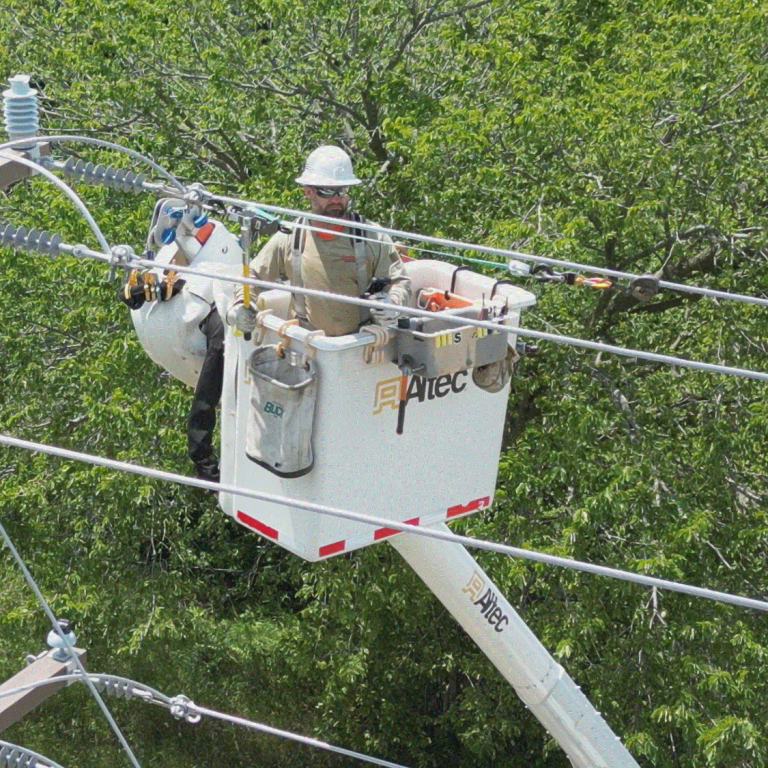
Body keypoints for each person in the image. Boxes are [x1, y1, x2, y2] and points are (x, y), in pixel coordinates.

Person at [191, 145, 411, 482]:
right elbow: (252, 277)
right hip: (310, 356)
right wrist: (240, 307)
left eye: (342, 191)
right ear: (308, 192)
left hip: (358, 354)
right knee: (314, 439)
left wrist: (390, 305)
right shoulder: (292, 239)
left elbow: (400, 280)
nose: (336, 200)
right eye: (326, 192)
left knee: (353, 443)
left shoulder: (370, 237)